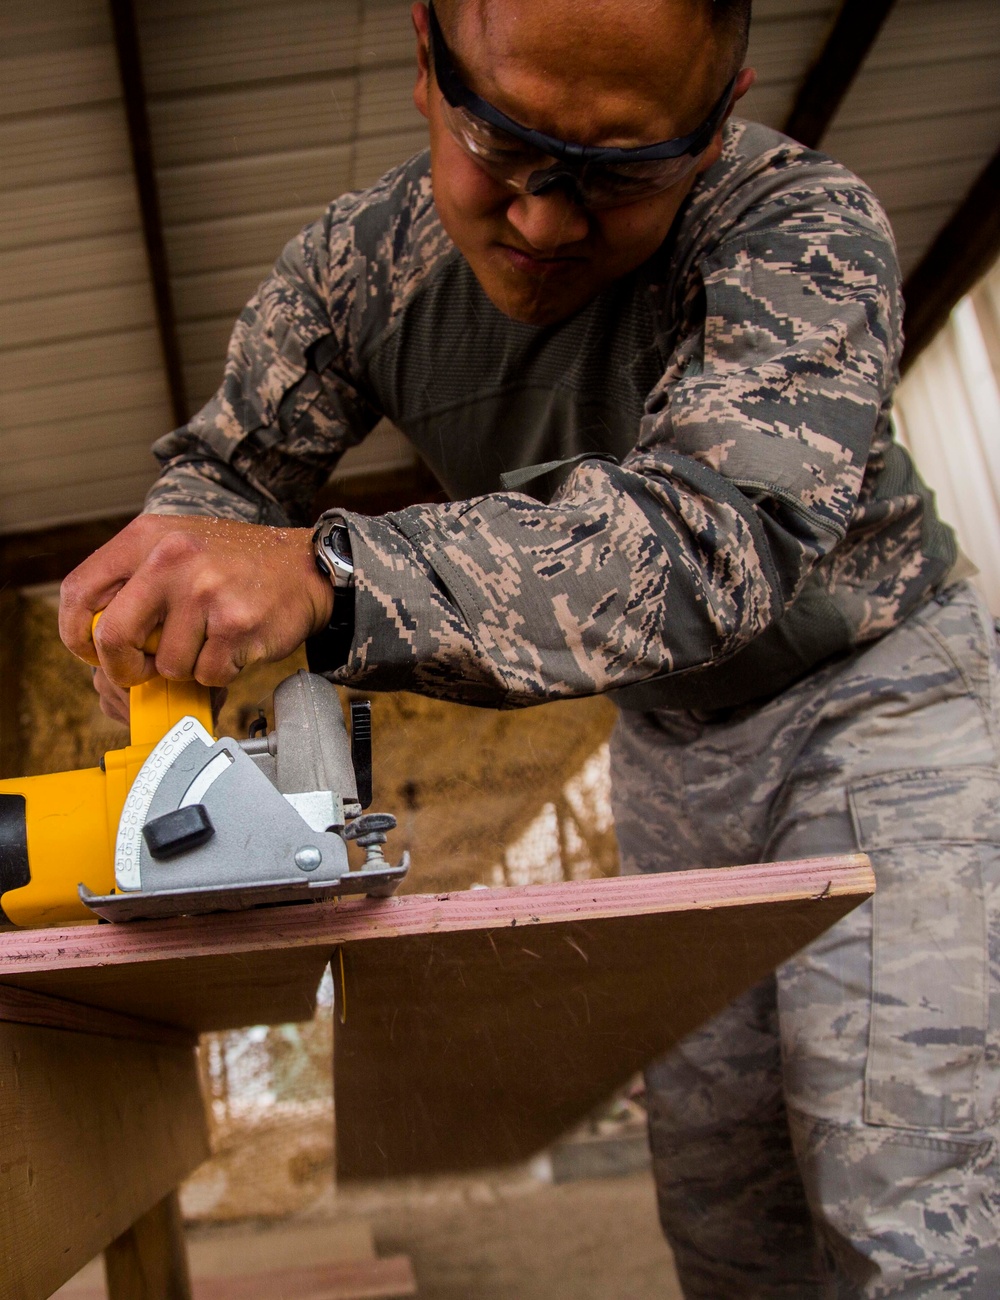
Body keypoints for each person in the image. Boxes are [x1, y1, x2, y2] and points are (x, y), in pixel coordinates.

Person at [59, 0, 1000, 1293]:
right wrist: (171, 602)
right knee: (729, 1206)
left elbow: (711, 542)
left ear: (718, 119)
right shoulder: (356, 271)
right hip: (674, 747)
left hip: (884, 704)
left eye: (620, 175)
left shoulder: (799, 229)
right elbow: (229, 475)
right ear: (425, 68)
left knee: (915, 1203)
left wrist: (329, 577)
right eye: (501, 149)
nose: (549, 224)